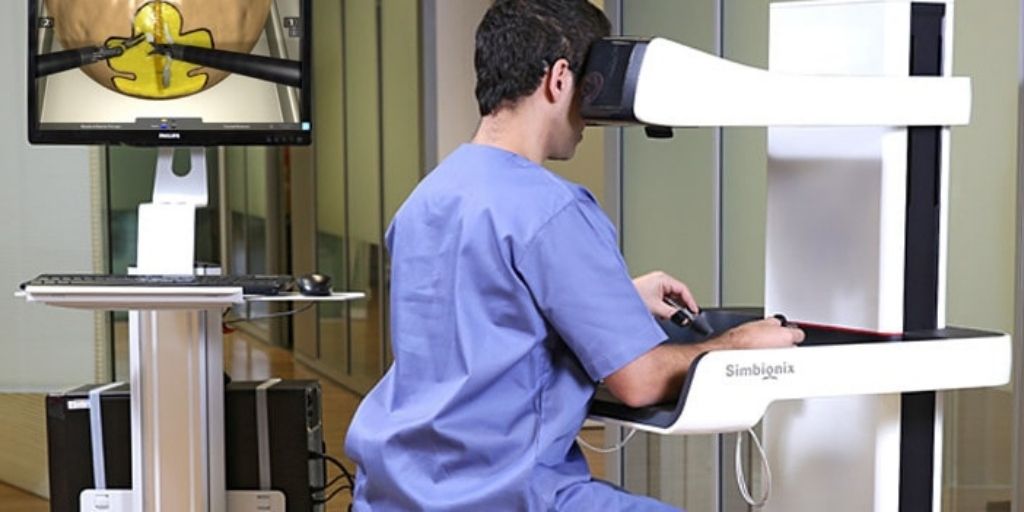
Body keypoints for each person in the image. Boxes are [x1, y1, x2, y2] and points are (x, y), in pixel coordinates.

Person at [344, 1, 805, 510]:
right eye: (592, 87)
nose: (591, 115)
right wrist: (736, 344)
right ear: (560, 78)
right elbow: (640, 381)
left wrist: (615, 297)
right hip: (505, 495)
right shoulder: (551, 208)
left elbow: (476, 312)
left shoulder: (428, 198)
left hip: (396, 492)